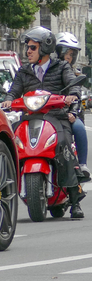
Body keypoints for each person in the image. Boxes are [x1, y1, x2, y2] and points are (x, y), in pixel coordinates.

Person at [1, 26, 84, 219]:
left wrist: (72, 96)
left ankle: (74, 199)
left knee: (64, 148)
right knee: (8, 143)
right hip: (30, 117)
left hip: (57, 117)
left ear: (45, 49)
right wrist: (8, 99)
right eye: (27, 48)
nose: (28, 51)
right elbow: (14, 91)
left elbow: (73, 85)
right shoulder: (23, 71)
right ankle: (3, 192)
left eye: (32, 47)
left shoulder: (61, 67)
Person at [55, 31, 90, 181]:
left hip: (68, 114)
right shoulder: (48, 70)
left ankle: (82, 164)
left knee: (79, 127)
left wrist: (73, 110)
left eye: (71, 54)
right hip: (48, 112)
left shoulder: (74, 74)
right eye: (65, 53)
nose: (68, 57)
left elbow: (76, 93)